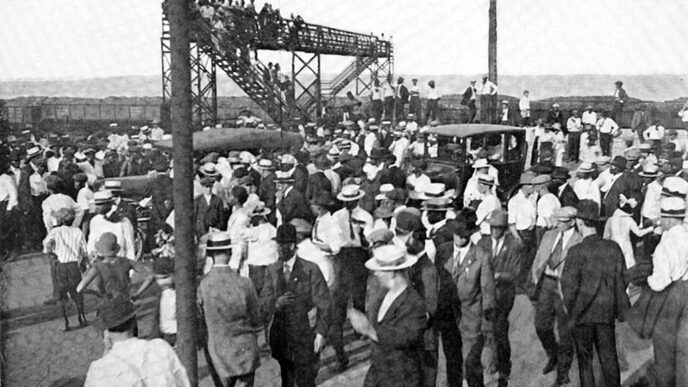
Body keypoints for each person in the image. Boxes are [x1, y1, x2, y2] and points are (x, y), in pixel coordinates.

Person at [561, 199, 630, 387]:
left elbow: (568, 288)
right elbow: (622, 280)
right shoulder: (613, 248)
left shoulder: (575, 251)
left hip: (582, 316)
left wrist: (572, 310)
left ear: (579, 222)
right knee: (609, 359)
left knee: (585, 363)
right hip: (605, 315)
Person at [261, 224, 332, 387]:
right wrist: (276, 303)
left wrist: (321, 333)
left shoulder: (310, 269)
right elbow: (263, 303)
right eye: (277, 244)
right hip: (281, 338)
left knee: (305, 381)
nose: (278, 248)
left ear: (292, 246)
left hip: (305, 337)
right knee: (286, 380)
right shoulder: (272, 270)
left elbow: (325, 304)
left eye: (281, 244)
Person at [348, 245, 426, 387]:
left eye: (380, 270)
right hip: (380, 372)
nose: (376, 273)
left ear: (392, 273)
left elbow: (404, 337)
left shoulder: (414, 302)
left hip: (402, 378)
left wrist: (368, 330)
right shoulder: (383, 294)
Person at [436, 216, 495, 387]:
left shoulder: (481, 257)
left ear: (470, 234)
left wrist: (486, 324)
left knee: (471, 365)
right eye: (457, 234)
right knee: (452, 363)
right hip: (448, 317)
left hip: (471, 318)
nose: (460, 238)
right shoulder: (442, 251)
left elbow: (488, 292)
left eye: (464, 235)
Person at [84, 294, 190, 387]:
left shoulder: (99, 370)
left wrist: (107, 351)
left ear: (105, 331)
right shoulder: (161, 348)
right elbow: (183, 382)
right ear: (134, 322)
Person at [198, 232, 261, 387]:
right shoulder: (245, 283)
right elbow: (256, 318)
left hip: (218, 353)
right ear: (230, 252)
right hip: (245, 350)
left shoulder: (203, 285)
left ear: (210, 254)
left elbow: (199, 321)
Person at [529, 207, 582, 386]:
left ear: (572, 222)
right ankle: (553, 354)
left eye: (561, 220)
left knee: (565, 332)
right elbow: (538, 258)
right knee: (541, 325)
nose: (556, 223)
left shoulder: (579, 240)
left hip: (564, 288)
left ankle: (563, 371)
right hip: (546, 283)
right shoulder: (549, 235)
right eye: (556, 219)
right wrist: (534, 280)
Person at [642, 197, 688, 386]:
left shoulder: (665, 245)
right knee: (684, 349)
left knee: (664, 350)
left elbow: (659, 282)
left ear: (668, 218)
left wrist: (647, 278)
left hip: (671, 296)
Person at [477, 210, 526, 387]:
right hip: (485, 293)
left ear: (504, 229)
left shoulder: (513, 246)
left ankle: (504, 368)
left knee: (499, 330)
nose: (495, 231)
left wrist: (497, 275)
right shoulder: (483, 243)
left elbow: (516, 273)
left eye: (498, 228)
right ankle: (489, 365)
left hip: (503, 294)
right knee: (484, 330)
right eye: (493, 228)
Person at [42, 207, 88, 331]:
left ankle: (65, 322)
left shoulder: (55, 232)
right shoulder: (77, 231)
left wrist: (51, 251)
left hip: (60, 265)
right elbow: (84, 249)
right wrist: (83, 260)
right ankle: (81, 317)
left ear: (60, 220)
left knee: (61, 293)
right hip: (74, 265)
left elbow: (46, 246)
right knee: (77, 292)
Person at [78, 232, 142, 298]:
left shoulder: (98, 267)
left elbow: (79, 288)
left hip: (108, 303)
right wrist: (137, 294)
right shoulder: (126, 261)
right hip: (125, 301)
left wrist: (96, 294)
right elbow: (151, 276)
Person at [603, 194, 653, 270]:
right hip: (626, 245)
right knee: (629, 267)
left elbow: (606, 237)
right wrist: (651, 228)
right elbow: (639, 233)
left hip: (614, 245)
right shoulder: (629, 220)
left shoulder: (610, 220)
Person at [87, 191, 135, 261]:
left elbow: (130, 245)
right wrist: (91, 251)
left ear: (109, 204)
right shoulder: (94, 220)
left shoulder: (122, 221)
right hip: (100, 261)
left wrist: (130, 264)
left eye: (100, 204)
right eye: (96, 204)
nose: (97, 207)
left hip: (118, 261)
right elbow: (91, 240)